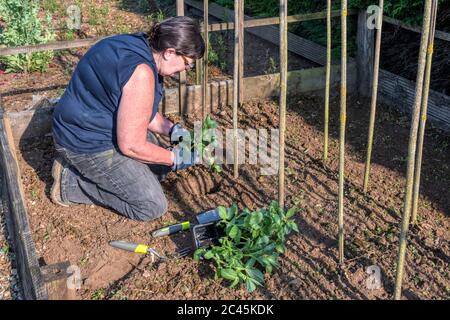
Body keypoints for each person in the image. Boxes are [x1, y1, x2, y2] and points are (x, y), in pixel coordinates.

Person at [51, 16, 205, 221]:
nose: (186, 70)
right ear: (169, 52)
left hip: (85, 124)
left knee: (159, 167)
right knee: (151, 205)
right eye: (187, 64)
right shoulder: (141, 73)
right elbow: (131, 146)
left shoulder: (139, 45)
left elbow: (139, 110)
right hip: (85, 142)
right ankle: (69, 184)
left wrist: (172, 129)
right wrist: (176, 158)